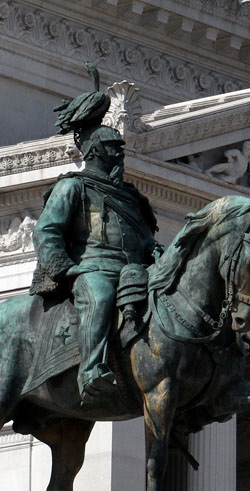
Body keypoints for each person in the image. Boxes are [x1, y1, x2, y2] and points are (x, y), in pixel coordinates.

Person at [30, 67, 160, 403]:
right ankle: (91, 371)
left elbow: (143, 236)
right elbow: (48, 230)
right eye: (113, 149)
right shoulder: (73, 187)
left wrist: (155, 250)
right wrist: (64, 267)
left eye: (120, 148)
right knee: (101, 296)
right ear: (97, 152)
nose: (119, 154)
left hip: (133, 269)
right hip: (92, 268)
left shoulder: (131, 197)